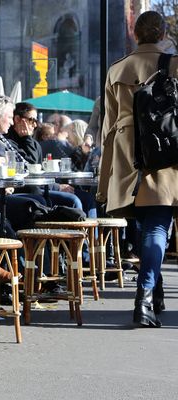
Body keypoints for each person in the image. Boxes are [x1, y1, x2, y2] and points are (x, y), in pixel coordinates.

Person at [99, 10, 177, 327]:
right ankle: (144, 297)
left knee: (146, 225)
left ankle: (154, 291)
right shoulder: (174, 64)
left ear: (134, 33)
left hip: (126, 153)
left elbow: (107, 127)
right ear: (161, 34)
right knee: (159, 225)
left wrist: (105, 178)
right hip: (165, 151)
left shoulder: (117, 68)